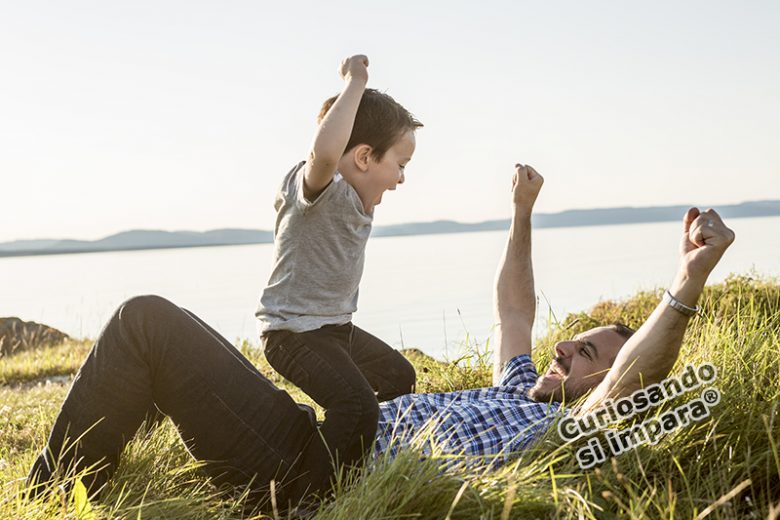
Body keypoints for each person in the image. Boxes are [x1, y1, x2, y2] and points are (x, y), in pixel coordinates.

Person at [27, 164, 735, 514]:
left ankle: (48, 495)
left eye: (586, 354)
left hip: (312, 473)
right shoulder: (520, 388)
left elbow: (634, 375)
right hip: (307, 439)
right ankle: (89, 489)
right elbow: (514, 310)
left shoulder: (564, 435)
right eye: (572, 341)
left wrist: (688, 280)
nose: (563, 349)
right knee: (160, 335)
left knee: (144, 320)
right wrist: (523, 212)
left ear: (603, 384)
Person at [254, 53, 421, 476]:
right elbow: (326, 154)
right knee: (356, 406)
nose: (401, 179)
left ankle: (359, 454)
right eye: (400, 166)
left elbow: (341, 150)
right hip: (293, 334)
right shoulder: (319, 189)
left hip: (333, 329)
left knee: (398, 378)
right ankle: (308, 494)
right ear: (364, 157)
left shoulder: (361, 198)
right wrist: (355, 82)